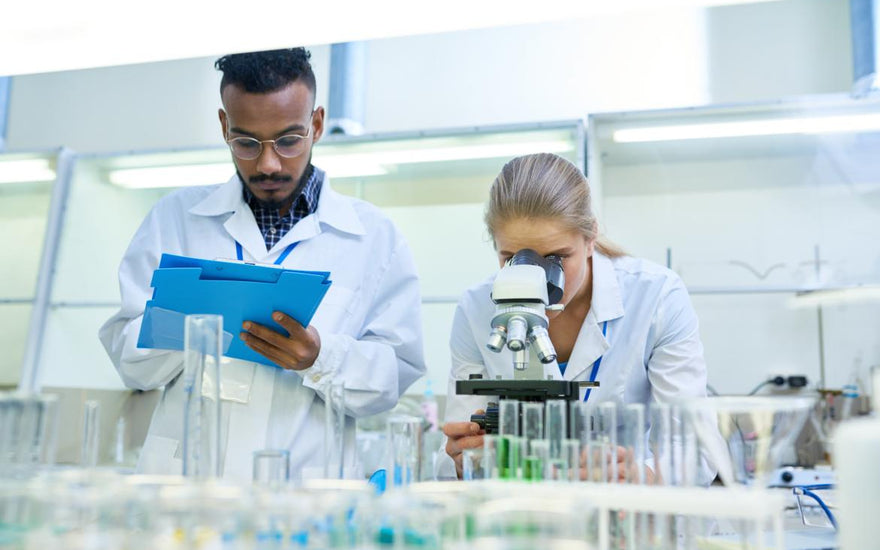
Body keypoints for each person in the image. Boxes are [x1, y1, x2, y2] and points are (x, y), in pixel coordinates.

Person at [99, 48, 425, 482]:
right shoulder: (174, 218)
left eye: (288, 140)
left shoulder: (374, 238)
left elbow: (391, 380)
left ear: (317, 124)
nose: (268, 163)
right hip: (185, 488)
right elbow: (129, 362)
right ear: (223, 126)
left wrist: (319, 356)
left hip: (305, 490)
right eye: (247, 143)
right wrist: (189, 330)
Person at [440, 152, 715, 484]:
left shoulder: (655, 296)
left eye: (556, 258)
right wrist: (467, 458)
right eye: (513, 259)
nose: (537, 279)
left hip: (623, 517)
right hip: (527, 517)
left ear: (590, 239)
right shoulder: (476, 309)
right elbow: (456, 454)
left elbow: (697, 449)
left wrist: (642, 474)